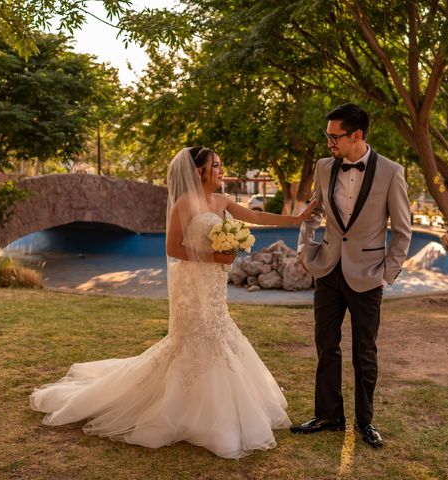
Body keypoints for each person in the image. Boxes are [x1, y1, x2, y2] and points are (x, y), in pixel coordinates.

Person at [30, 146, 314, 459]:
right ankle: (182, 413)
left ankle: (216, 409)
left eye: (220, 165)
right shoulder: (184, 203)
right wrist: (215, 256)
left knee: (220, 332)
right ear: (198, 171)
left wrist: (298, 217)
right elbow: (174, 248)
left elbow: (256, 216)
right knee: (193, 341)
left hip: (213, 285)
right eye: (215, 166)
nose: (221, 171)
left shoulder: (221, 201)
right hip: (191, 285)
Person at [291, 103, 412, 448]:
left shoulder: (391, 172)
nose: (329, 143)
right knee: (326, 346)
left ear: (356, 136)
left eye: (334, 137)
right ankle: (328, 414)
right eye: (327, 136)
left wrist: (387, 273)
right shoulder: (324, 168)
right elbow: (312, 213)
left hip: (368, 276)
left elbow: (402, 230)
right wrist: (304, 247)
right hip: (328, 270)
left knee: (364, 351)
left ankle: (365, 421)